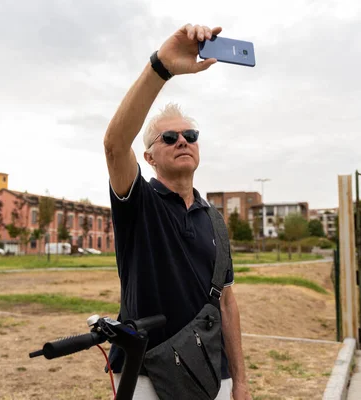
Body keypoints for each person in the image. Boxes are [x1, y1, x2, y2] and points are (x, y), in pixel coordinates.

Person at [103, 23, 252, 400]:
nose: (182, 140)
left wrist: (242, 382)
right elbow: (115, 144)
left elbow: (227, 304)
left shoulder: (214, 220)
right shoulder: (138, 203)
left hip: (211, 377)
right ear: (150, 157)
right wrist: (161, 67)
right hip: (146, 377)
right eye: (169, 137)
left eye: (190, 136)